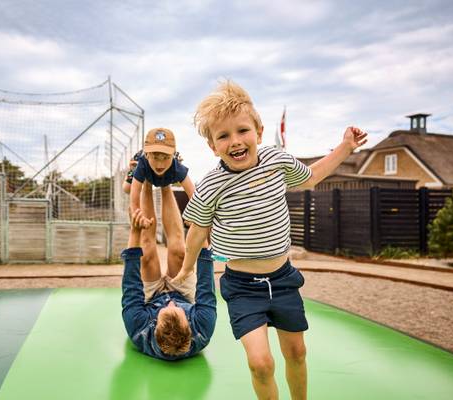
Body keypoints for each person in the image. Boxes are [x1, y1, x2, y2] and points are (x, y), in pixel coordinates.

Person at [173, 80, 367, 399]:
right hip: (242, 286)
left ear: (259, 132)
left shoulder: (277, 161)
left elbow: (313, 176)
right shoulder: (211, 185)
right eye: (223, 136)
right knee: (260, 364)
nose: (235, 141)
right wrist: (186, 270)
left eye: (242, 131)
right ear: (213, 146)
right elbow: (197, 232)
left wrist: (345, 147)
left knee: (297, 353)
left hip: (283, 278)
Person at [121, 182, 217, 360]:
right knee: (179, 253)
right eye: (177, 310)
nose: (170, 302)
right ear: (189, 325)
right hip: (185, 296)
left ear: (154, 326)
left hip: (149, 300)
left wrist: (135, 230)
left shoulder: (138, 327)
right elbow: (205, 283)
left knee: (147, 252)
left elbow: (131, 285)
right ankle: (165, 184)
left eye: (165, 309)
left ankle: (148, 182)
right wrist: (200, 227)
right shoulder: (203, 328)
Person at [123, 128, 194, 274]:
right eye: (155, 157)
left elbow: (193, 194)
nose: (160, 164)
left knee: (165, 179)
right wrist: (139, 214)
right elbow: (134, 194)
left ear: (173, 156)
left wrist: (196, 216)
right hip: (141, 169)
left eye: (165, 158)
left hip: (168, 175)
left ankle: (164, 180)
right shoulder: (142, 163)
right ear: (148, 155)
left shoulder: (176, 167)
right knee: (126, 188)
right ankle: (131, 172)